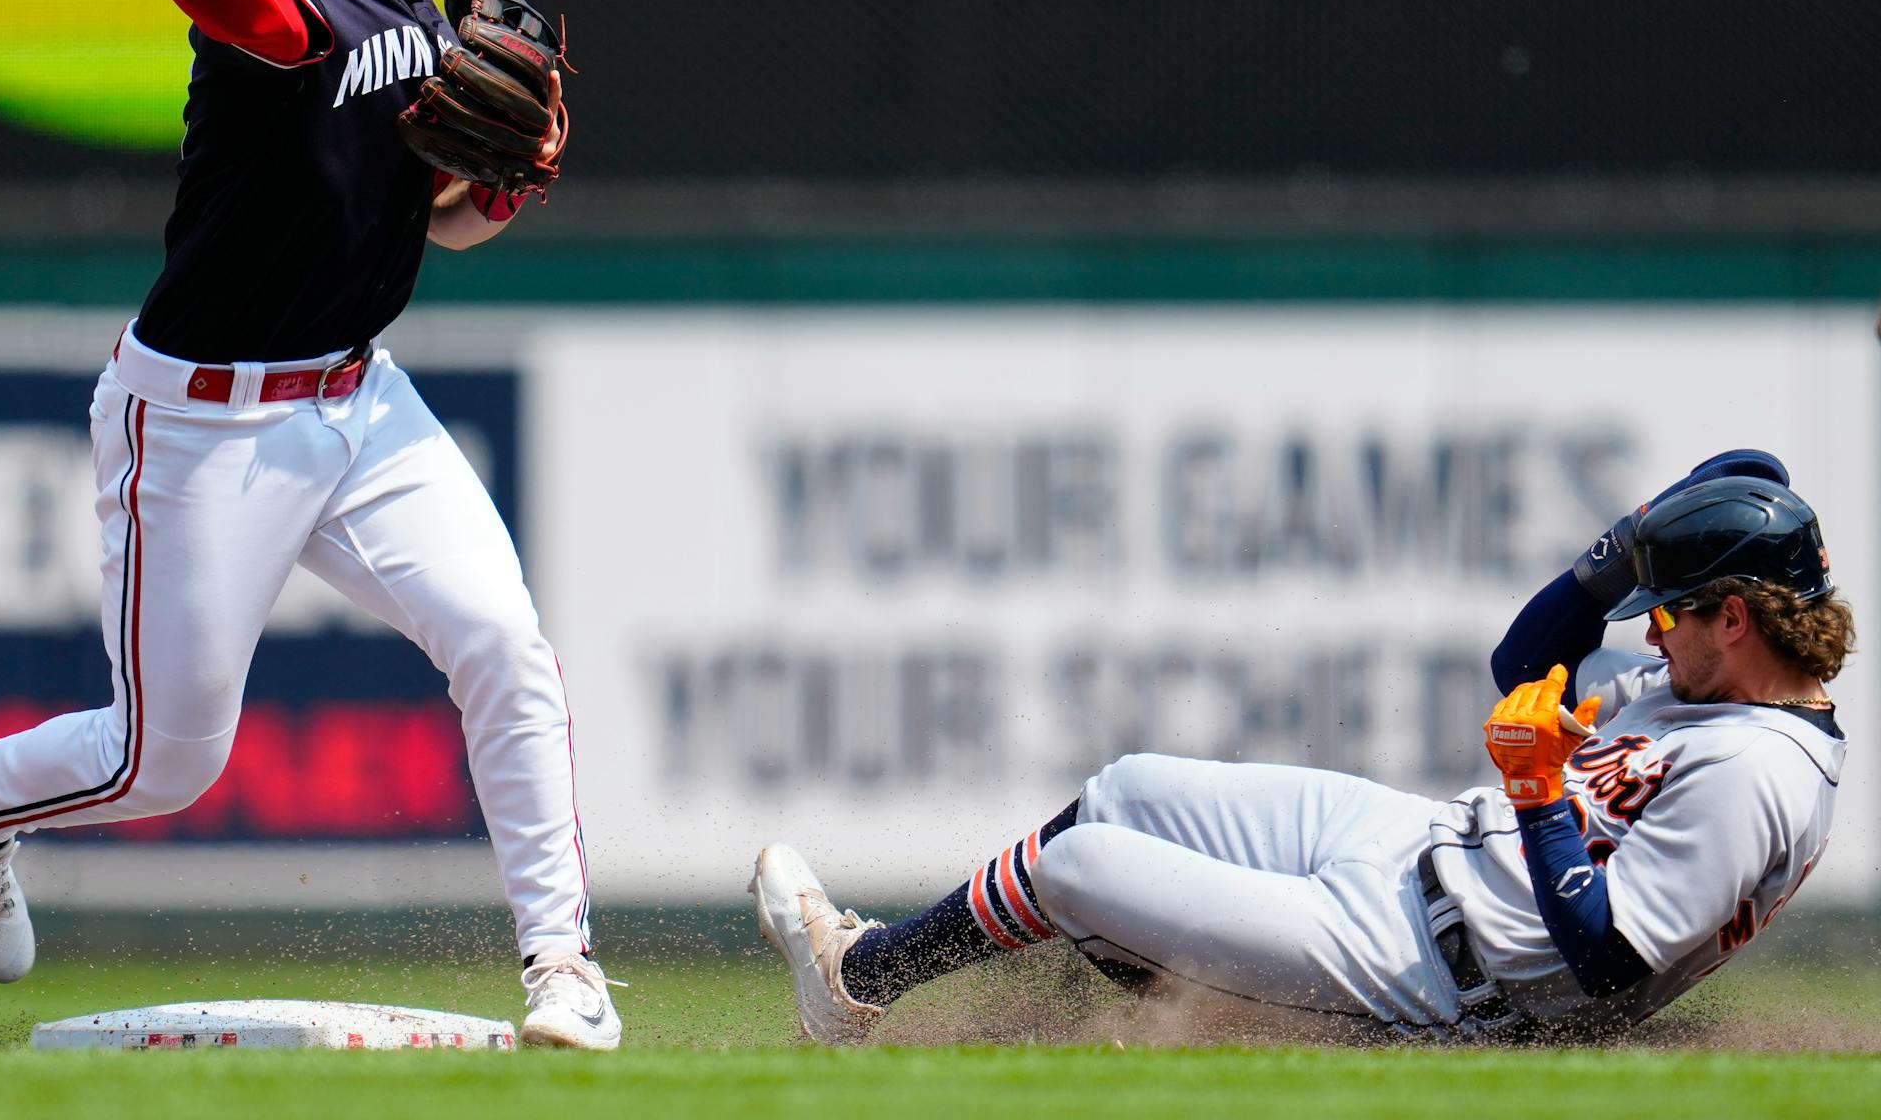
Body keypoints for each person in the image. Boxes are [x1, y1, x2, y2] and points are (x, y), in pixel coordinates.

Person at [0, 0, 621, 1050]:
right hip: (202, 427)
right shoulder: (274, 7)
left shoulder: (411, 18)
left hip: (361, 404)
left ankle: (564, 969)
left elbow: (444, 223)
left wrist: (501, 188)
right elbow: (249, 9)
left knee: (506, 647)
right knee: (161, 762)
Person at [752, 451, 1850, 1043]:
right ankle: (871, 979)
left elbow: (1607, 964)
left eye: (1673, 610)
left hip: (1441, 978)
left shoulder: (1757, 775)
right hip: (1420, 847)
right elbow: (1524, 664)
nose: (1653, 629)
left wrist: (1539, 793)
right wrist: (1619, 555)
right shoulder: (1711, 688)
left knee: (1074, 871)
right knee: (1127, 790)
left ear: (1737, 619)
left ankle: (862, 982)